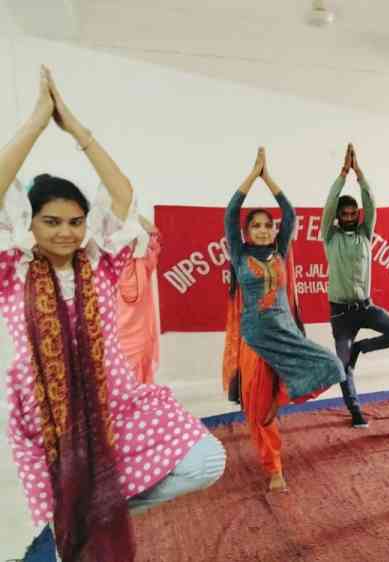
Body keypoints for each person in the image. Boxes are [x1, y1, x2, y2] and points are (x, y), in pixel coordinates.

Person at [0, 67, 225, 562]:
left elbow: (122, 194)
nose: (66, 232)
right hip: (53, 419)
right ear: (29, 223)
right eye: (52, 221)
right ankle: (80, 520)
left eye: (76, 221)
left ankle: (92, 510)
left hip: (119, 404)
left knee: (207, 460)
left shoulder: (99, 262)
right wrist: (38, 120)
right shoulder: (12, 269)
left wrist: (77, 131)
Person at [223, 146, 345, 491]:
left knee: (333, 366)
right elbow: (232, 213)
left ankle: (281, 396)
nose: (263, 230)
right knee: (258, 413)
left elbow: (289, 212)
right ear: (248, 232)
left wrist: (269, 179)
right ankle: (274, 466)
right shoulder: (239, 253)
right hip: (256, 341)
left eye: (268, 225)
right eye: (257, 226)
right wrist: (251, 177)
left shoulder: (281, 251)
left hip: (287, 335)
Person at [321, 143, 389, 428]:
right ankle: (355, 410)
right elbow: (328, 204)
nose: (348, 217)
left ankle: (363, 348)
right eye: (344, 214)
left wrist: (359, 174)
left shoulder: (365, 234)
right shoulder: (329, 236)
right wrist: (342, 174)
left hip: (366, 308)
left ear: (357, 216)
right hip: (341, 314)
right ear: (338, 217)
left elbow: (370, 201)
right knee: (343, 365)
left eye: (352, 214)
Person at [117, 215, 161, 384]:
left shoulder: (144, 264)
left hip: (140, 338)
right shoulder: (108, 269)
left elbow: (154, 233)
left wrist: (131, 213)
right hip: (117, 339)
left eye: (132, 240)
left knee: (140, 385)